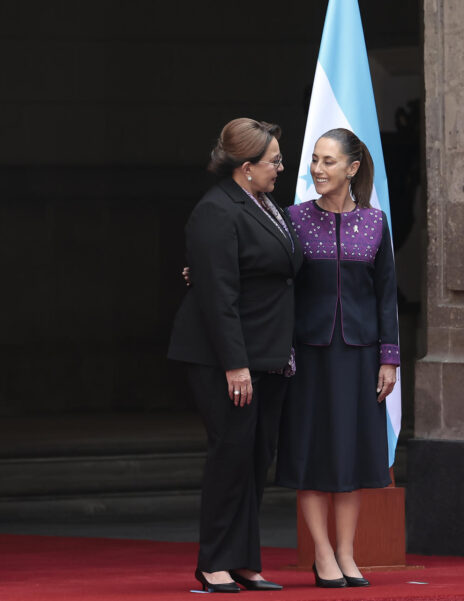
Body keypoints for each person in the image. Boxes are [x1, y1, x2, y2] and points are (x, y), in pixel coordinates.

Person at [167, 118, 303, 593]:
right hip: (224, 358)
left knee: (254, 456)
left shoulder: (268, 206)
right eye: (274, 161)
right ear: (246, 167)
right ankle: (214, 563)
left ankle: (244, 559)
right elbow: (217, 295)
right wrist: (235, 364)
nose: (281, 168)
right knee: (230, 454)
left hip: (268, 353)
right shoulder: (216, 210)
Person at [275, 128, 400, 588]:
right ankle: (322, 553)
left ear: (352, 169)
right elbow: (270, 280)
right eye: (314, 159)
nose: (317, 169)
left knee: (350, 457)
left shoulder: (376, 223)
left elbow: (387, 296)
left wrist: (389, 359)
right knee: (312, 454)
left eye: (329, 161)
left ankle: (347, 553)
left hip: (361, 357)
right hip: (306, 356)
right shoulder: (292, 219)